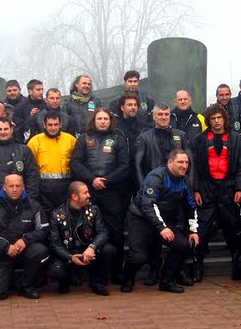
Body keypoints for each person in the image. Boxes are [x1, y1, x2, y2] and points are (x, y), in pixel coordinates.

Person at [121, 150, 199, 294]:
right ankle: (127, 278)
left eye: (186, 162)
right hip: (141, 218)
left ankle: (167, 281)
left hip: (162, 220)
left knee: (183, 246)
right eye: (180, 162)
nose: (184, 166)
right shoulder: (157, 176)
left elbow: (191, 206)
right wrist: (161, 227)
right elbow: (148, 205)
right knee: (138, 256)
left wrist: (193, 231)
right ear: (170, 162)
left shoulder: (186, 180)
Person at [189, 103, 241, 282]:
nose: (216, 121)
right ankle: (197, 265)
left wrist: (240, 188)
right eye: (213, 118)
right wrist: (196, 189)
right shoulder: (199, 140)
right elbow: (195, 168)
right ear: (208, 121)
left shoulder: (236, 139)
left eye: (219, 118)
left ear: (224, 119)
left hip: (228, 188)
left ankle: (239, 266)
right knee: (203, 228)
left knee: (232, 228)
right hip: (206, 188)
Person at [70, 108, 130, 284]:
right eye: (99, 118)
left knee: (116, 233)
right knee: (87, 231)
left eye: (105, 118)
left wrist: (107, 181)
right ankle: (87, 272)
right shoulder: (83, 138)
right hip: (89, 192)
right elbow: (76, 163)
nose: (102, 121)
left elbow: (125, 166)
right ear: (93, 120)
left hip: (112, 193)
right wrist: (92, 179)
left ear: (110, 121)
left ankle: (117, 271)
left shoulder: (118, 139)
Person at [133, 103, 187, 285]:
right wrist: (144, 190)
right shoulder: (145, 137)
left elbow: (189, 163)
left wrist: (191, 188)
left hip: (175, 192)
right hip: (152, 191)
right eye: (160, 114)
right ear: (153, 117)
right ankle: (154, 270)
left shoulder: (181, 135)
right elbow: (138, 165)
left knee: (178, 230)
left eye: (166, 114)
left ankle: (178, 271)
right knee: (153, 234)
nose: (164, 117)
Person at [0, 174, 49, 300]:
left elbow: (44, 230)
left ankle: (26, 286)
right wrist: (5, 247)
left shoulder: (34, 206)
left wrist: (25, 240)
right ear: (4, 187)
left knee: (40, 250)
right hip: (0, 254)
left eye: (17, 186)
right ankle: (9, 280)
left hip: (24, 252)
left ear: (23, 188)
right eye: (11, 186)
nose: (14, 189)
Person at [47, 181, 114, 295]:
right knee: (55, 269)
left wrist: (92, 247)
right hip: (68, 254)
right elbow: (54, 243)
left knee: (109, 250)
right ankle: (65, 282)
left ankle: (97, 282)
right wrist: (70, 257)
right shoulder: (57, 214)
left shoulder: (94, 210)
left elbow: (103, 232)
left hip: (87, 253)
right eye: (85, 193)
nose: (89, 195)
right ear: (75, 196)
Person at [0, 118, 40, 203]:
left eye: (6, 129)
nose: (3, 132)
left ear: (11, 130)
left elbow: (32, 176)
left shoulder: (24, 150)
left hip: (19, 201)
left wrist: (30, 199)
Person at [27, 112, 77, 212]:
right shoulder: (34, 142)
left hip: (65, 189)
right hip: (42, 190)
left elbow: (76, 164)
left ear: (61, 124)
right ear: (44, 125)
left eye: (56, 124)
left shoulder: (71, 140)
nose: (53, 128)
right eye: (50, 125)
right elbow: (30, 169)